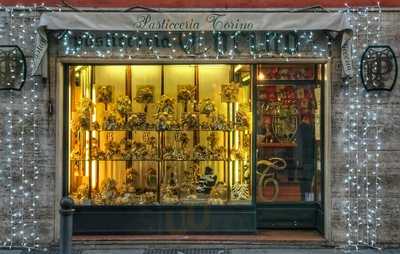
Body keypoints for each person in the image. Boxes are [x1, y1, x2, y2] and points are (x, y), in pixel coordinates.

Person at [295, 113, 315, 201]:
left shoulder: (300, 128)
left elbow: (299, 145)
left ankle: (304, 200)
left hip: (303, 159)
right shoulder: (311, 129)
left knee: (303, 182)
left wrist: (298, 160)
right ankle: (309, 200)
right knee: (309, 182)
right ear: (308, 119)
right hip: (310, 159)